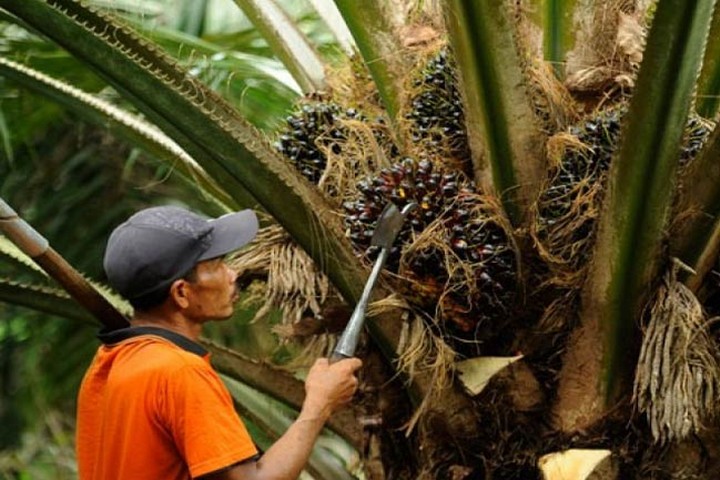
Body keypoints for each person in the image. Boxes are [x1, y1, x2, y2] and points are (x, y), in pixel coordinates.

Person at [75, 205, 362, 480]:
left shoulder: (107, 365)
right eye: (216, 265)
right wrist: (319, 405)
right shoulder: (179, 371)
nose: (233, 273)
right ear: (182, 294)